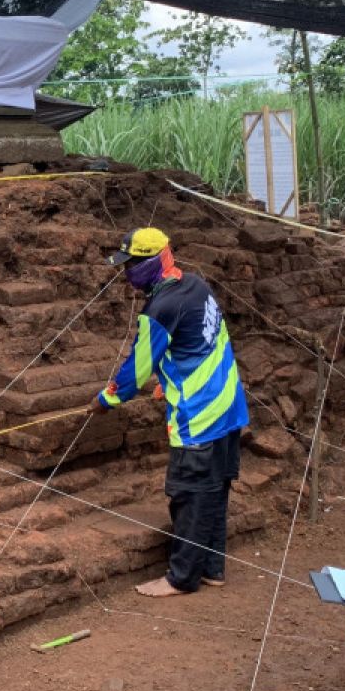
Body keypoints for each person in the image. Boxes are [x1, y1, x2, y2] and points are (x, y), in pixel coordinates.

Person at [88, 228, 249, 597]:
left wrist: (106, 400)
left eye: (131, 265)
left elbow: (137, 368)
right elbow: (200, 342)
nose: (127, 273)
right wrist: (171, 379)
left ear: (153, 261)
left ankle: (181, 578)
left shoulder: (161, 308)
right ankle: (212, 569)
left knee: (190, 494)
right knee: (215, 491)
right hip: (228, 406)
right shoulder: (195, 285)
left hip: (199, 417)